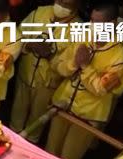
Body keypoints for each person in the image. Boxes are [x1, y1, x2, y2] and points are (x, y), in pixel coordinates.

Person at [45, 1, 123, 159]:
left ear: (112, 24)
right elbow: (58, 66)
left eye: (98, 23)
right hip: (62, 105)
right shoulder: (82, 37)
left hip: (86, 118)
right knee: (49, 154)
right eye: (92, 20)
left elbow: (101, 89)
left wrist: (85, 66)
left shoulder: (121, 58)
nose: (92, 26)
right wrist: (73, 64)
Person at [8, 0, 79, 141]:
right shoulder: (40, 12)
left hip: (48, 84)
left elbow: (72, 63)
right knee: (16, 118)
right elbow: (18, 34)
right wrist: (29, 44)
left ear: (77, 5)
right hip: (25, 75)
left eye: (67, 4)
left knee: (36, 124)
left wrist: (50, 55)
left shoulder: (79, 28)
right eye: (60, 1)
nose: (61, 6)